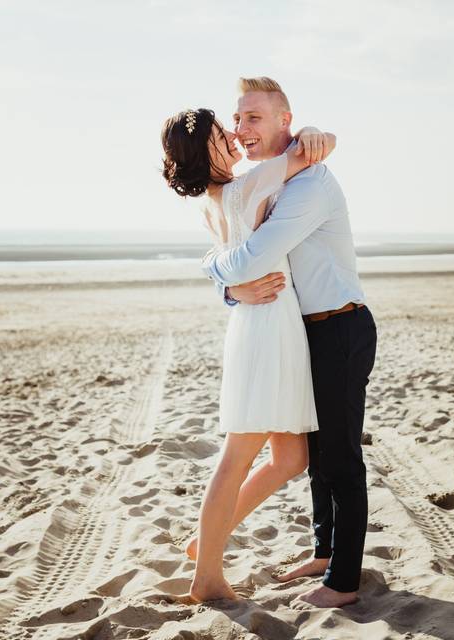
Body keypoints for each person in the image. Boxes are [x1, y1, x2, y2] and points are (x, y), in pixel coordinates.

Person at [202, 77, 377, 609]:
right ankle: (325, 552)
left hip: (340, 325)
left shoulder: (309, 184)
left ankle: (344, 582)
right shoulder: (269, 182)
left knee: (341, 458)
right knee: (316, 454)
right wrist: (227, 285)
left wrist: (217, 272)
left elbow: (254, 255)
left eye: (254, 117)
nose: (241, 128)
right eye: (238, 118)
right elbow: (240, 249)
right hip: (306, 331)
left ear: (285, 120)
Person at [160, 107, 335, 603]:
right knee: (238, 456)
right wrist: (310, 131)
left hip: (262, 319)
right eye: (223, 132)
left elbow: (218, 261)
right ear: (206, 148)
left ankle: (204, 544)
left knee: (290, 457)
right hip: (266, 328)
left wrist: (233, 289)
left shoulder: (215, 200)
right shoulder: (246, 185)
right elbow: (304, 152)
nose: (235, 134)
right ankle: (207, 577)